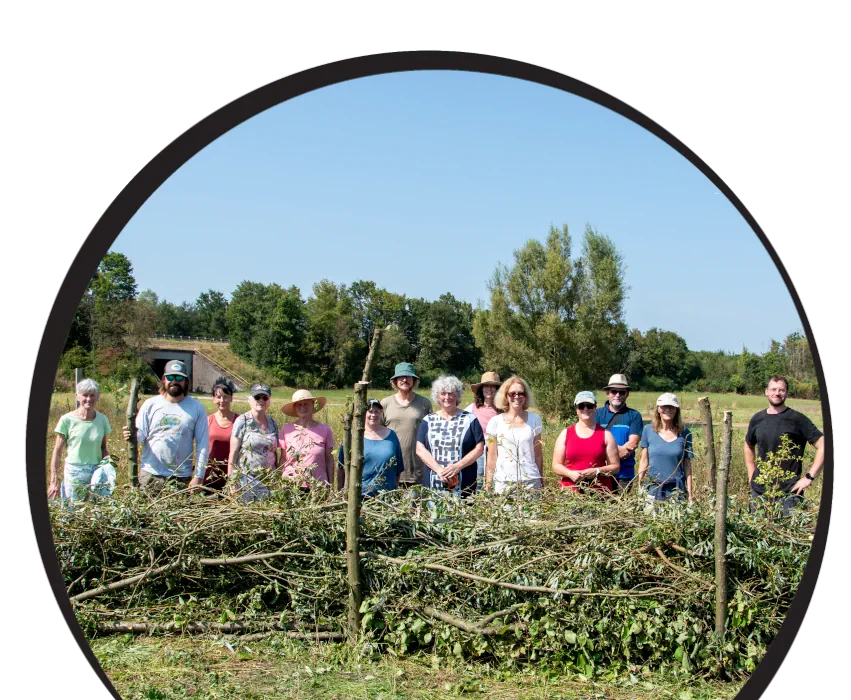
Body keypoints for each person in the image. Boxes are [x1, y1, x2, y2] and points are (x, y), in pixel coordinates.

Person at [122, 360, 209, 494]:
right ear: (164, 380)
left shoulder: (197, 408)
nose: (174, 381)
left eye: (179, 377)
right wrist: (132, 436)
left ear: (186, 381)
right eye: (170, 377)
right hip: (150, 475)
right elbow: (140, 434)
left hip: (180, 478)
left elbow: (202, 444)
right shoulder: (150, 404)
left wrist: (199, 476)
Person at [745, 375, 825, 516]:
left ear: (787, 393)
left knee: (787, 534)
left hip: (789, 492)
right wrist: (751, 474)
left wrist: (809, 477)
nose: (777, 393)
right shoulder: (757, 419)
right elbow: (748, 445)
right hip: (760, 492)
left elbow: (824, 445)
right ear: (766, 392)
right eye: (773, 389)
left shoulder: (797, 419)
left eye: (781, 390)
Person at [416, 375, 484, 498]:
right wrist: (439, 470)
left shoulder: (470, 419)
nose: (447, 397)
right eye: (443, 393)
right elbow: (420, 448)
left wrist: (457, 466)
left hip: (464, 482)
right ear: (437, 396)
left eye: (451, 393)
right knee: (435, 515)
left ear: (457, 396)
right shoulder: (429, 420)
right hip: (434, 482)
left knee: (463, 515)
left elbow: (479, 448)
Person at [48, 379, 112, 504]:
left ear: (97, 397)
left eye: (92, 395)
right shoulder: (67, 420)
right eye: (85, 395)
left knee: (98, 509)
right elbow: (57, 451)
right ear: (77, 396)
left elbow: (103, 447)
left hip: (97, 472)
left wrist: (109, 463)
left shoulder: (102, 420)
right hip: (74, 472)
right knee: (74, 510)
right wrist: (53, 480)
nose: (89, 399)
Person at [484, 376, 543, 494]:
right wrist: (488, 483)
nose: (517, 396)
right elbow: (491, 456)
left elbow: (538, 455)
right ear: (506, 396)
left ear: (525, 397)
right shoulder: (495, 422)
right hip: (503, 482)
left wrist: (541, 480)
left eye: (521, 393)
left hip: (530, 481)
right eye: (512, 393)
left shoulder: (535, 419)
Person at [552, 391, 620, 492]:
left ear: (595, 407)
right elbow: (556, 465)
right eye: (581, 406)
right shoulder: (566, 433)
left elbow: (615, 467)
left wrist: (597, 471)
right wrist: (570, 474)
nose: (585, 409)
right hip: (570, 493)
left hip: (599, 492)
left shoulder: (606, 434)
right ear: (576, 409)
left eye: (589, 405)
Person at [338, 399, 405, 496]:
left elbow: (398, 469)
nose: (373, 415)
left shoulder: (392, 436)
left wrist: (394, 491)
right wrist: (341, 491)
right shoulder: (353, 436)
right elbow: (341, 467)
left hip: (386, 497)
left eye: (377, 411)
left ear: (381, 413)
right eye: (370, 411)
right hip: (359, 497)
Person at [381, 363, 433, 488]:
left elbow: (431, 435)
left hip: (416, 467)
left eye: (408, 377)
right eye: (401, 377)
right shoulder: (385, 403)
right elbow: (376, 433)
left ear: (414, 380)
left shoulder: (424, 403)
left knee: (415, 506)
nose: (405, 380)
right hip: (390, 466)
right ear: (395, 381)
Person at [637, 393, 694, 503]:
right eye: (664, 406)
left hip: (676, 491)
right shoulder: (648, 430)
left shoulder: (685, 433)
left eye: (671, 407)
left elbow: (687, 464)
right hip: (652, 490)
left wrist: (690, 494)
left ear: (676, 410)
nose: (668, 410)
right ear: (658, 409)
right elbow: (644, 460)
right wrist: (639, 486)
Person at [227, 384, 280, 502]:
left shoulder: (273, 423)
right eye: (257, 397)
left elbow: (274, 452)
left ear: (269, 401)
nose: (261, 401)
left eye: (265, 398)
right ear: (250, 400)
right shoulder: (242, 421)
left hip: (268, 480)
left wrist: (276, 477)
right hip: (246, 480)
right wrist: (232, 481)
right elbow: (233, 453)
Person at [595, 374, 644, 492]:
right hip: (599, 474)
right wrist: (616, 452)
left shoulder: (634, 415)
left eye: (621, 392)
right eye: (614, 391)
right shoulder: (596, 414)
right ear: (607, 393)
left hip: (624, 476)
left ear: (627, 393)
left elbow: (632, 443)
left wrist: (607, 453)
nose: (617, 395)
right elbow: (592, 441)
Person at [279, 389, 335, 488]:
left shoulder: (325, 430)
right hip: (290, 485)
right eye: (299, 405)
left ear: (313, 405)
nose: (303, 407)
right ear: (295, 408)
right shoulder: (287, 429)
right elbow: (283, 458)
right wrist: (278, 482)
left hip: (317, 486)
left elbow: (329, 459)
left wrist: (330, 485)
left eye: (306, 404)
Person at [464, 372, 503, 485]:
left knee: (497, 482)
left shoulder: (504, 410)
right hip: (478, 453)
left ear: (497, 389)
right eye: (486, 386)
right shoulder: (471, 409)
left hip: (498, 452)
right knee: (479, 482)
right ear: (481, 389)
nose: (489, 389)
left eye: (493, 386)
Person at [204, 377, 238, 493]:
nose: (222, 400)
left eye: (226, 396)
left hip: (231, 477)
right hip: (209, 476)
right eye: (219, 397)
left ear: (231, 398)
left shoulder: (239, 421)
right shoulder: (208, 420)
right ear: (214, 399)